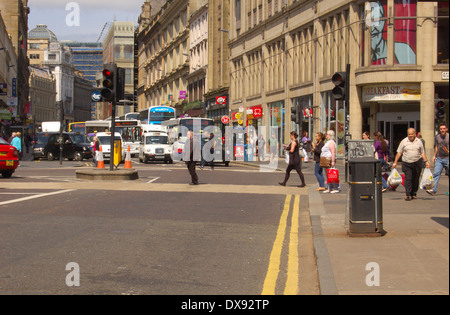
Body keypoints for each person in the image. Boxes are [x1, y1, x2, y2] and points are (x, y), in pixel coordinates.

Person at [392, 128, 431, 201]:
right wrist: (395, 162)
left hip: (417, 162)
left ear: (415, 134)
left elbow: (422, 152)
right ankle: (408, 194)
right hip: (407, 163)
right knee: (408, 178)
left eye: (412, 134)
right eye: (409, 134)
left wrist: (426, 162)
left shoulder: (419, 142)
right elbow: (399, 152)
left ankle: (414, 192)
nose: (410, 135)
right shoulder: (404, 141)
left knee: (416, 179)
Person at [427, 123, 449, 196]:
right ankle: (433, 189)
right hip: (439, 158)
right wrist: (434, 155)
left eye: (444, 128)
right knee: (436, 173)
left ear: (446, 129)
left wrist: (447, 151)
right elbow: (437, 146)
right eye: (441, 129)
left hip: (448, 158)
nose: (442, 130)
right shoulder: (437, 137)